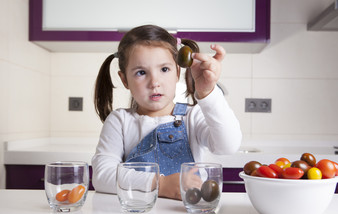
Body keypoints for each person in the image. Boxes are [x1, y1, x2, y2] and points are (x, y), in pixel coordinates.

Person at [92, 25, 242, 200]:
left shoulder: (192, 117)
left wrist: (209, 93)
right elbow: (102, 177)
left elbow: (228, 146)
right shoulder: (120, 121)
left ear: (177, 72)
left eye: (164, 69)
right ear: (124, 79)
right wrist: (159, 184)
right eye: (141, 72)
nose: (154, 82)